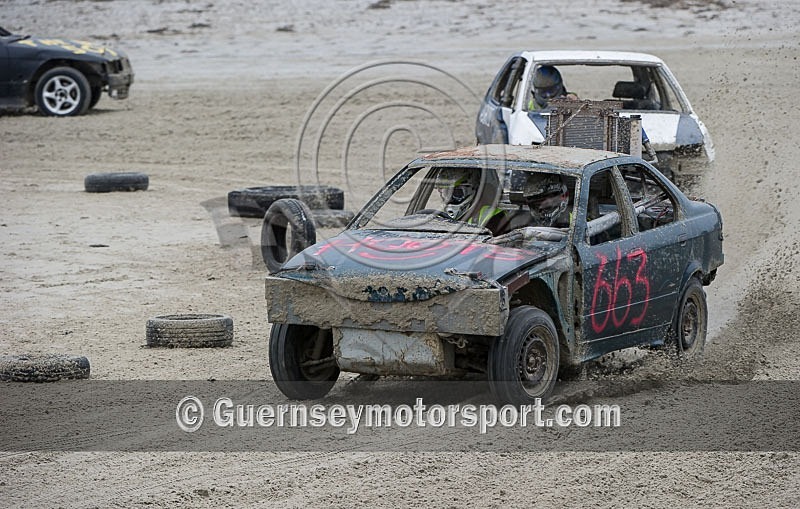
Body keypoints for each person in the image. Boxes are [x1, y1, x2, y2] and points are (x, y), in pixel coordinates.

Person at [432, 167, 503, 226]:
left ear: (472, 188)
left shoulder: (493, 217)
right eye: (444, 193)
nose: (449, 199)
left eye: (457, 193)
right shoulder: (440, 218)